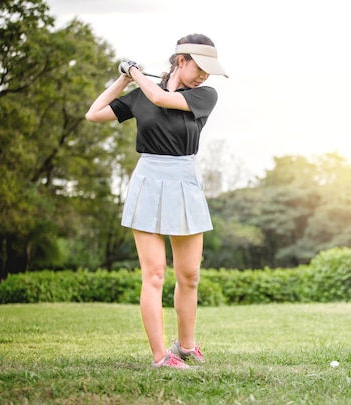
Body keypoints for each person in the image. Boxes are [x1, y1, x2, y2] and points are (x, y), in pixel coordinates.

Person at [85, 33, 228, 369]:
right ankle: (159, 356)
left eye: (210, 69)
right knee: (154, 275)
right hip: (148, 180)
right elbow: (95, 113)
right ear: (181, 60)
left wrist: (135, 73)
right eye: (200, 66)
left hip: (184, 181)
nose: (205, 74)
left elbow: (162, 99)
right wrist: (123, 77)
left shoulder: (205, 95)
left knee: (190, 275)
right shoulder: (140, 95)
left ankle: (185, 346)